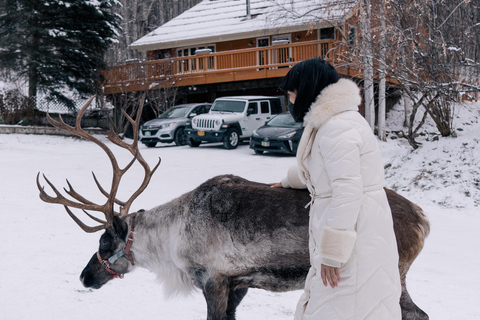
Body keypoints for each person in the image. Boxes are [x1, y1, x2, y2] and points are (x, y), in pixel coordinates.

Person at [271, 58, 401, 320]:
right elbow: (329, 172)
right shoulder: (337, 121)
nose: (291, 100)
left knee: (341, 305)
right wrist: (289, 181)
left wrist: (332, 252)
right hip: (363, 230)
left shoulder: (337, 127)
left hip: (355, 238)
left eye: (292, 92)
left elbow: (347, 189)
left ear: (308, 88)